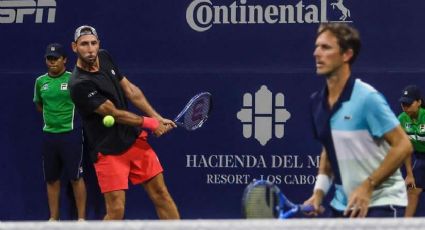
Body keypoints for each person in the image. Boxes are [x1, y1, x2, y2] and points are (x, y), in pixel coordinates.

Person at [68, 25, 180, 220]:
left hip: (133, 141)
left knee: (161, 195)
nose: (90, 49)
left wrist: (157, 116)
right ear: (74, 47)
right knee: (116, 210)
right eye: (84, 44)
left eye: (93, 43)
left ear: (98, 44)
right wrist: (150, 123)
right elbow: (113, 113)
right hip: (108, 151)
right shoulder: (78, 84)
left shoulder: (104, 57)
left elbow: (130, 90)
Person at [304, 23, 413, 218]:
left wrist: (368, 185)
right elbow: (329, 150)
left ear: (346, 55)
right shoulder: (317, 103)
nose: (316, 53)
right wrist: (318, 193)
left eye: (326, 47)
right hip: (343, 205)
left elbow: (403, 145)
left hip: (382, 203)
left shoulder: (367, 98)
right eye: (317, 46)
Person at [33, 43, 87, 221]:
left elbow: (84, 103)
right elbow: (39, 105)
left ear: (65, 60)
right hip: (49, 135)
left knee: (75, 177)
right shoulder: (40, 82)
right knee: (51, 179)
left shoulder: (74, 79)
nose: (52, 62)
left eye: (56, 58)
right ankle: (53, 219)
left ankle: (81, 220)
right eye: (49, 58)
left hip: (70, 134)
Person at [398, 85, 425, 217]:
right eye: (403, 104)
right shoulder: (402, 119)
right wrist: (409, 174)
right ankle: (406, 225)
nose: (405, 107)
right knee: (412, 191)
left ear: (419, 102)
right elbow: (405, 147)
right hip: (421, 158)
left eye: (409, 103)